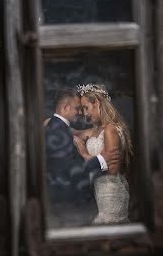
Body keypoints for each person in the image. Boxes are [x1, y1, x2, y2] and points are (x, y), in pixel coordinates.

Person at [44, 88, 112, 227]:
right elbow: (68, 171)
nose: (80, 112)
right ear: (65, 107)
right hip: (69, 205)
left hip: (68, 203)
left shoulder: (59, 127)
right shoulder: (58, 131)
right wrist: (101, 160)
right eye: (77, 108)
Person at [74, 83, 131, 224]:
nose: (85, 114)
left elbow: (113, 169)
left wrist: (84, 154)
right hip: (101, 193)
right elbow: (69, 131)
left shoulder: (110, 130)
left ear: (97, 103)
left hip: (112, 194)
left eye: (86, 108)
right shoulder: (96, 131)